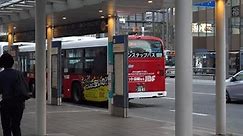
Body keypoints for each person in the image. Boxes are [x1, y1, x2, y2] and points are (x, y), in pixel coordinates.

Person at [0, 53, 25, 136]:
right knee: (16, 126)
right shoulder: (19, 73)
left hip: (6, 104)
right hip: (19, 104)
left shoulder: (1, 75)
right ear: (12, 62)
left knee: (6, 127)